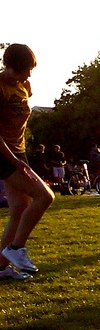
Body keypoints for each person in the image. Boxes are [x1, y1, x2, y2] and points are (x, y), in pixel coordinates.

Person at [0, 44, 55, 280]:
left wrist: (20, 155)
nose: (29, 75)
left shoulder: (25, 86)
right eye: (25, 70)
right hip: (2, 153)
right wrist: (13, 159)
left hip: (18, 152)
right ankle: (15, 249)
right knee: (45, 196)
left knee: (19, 209)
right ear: (10, 67)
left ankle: (0, 268)